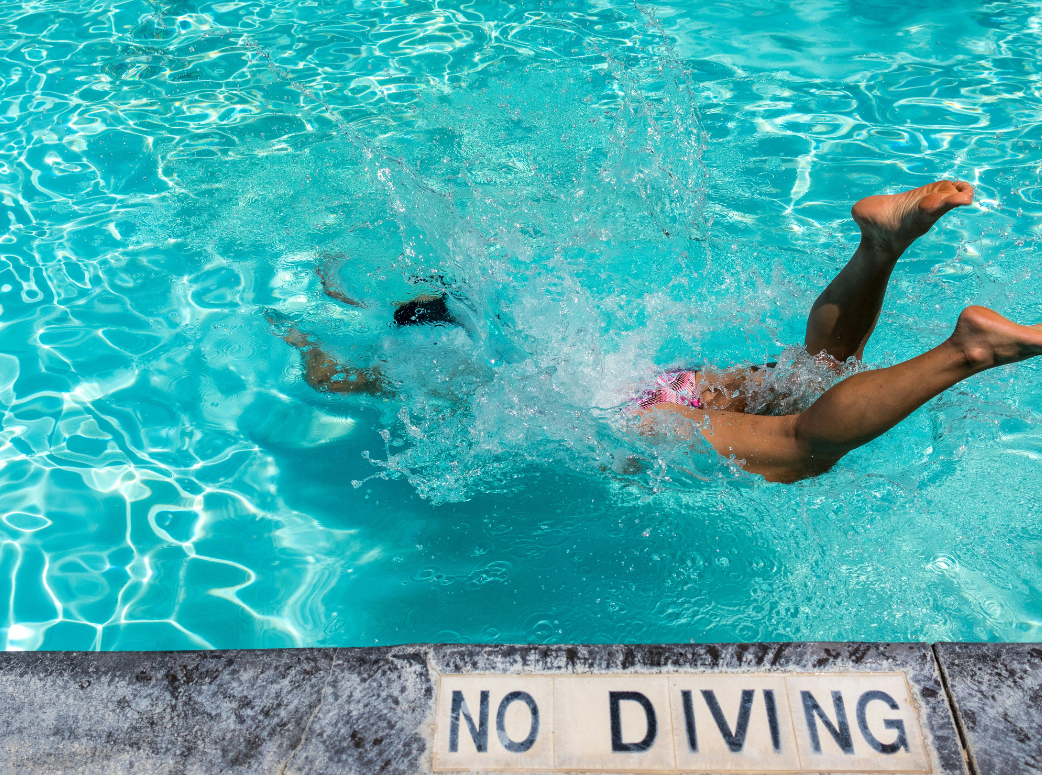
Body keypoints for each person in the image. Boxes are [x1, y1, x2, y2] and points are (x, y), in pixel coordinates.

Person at [272, 180, 1042, 483]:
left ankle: (965, 351)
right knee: (814, 372)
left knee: (802, 447)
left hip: (634, 419)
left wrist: (309, 348)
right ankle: (879, 241)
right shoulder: (500, 320)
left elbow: (334, 381)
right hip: (651, 380)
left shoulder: (419, 372)